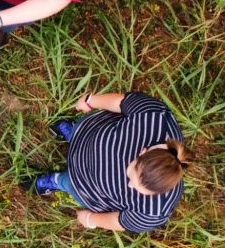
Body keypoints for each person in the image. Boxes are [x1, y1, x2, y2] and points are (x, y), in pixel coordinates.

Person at [34, 91, 187, 233]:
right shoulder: (154, 117)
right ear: (143, 152)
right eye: (133, 176)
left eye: (137, 188)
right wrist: (90, 101)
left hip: (85, 185)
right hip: (89, 133)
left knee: (67, 182)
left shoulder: (155, 211)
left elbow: (121, 221)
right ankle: (74, 134)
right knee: (80, 133)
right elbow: (120, 102)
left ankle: (57, 181)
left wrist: (90, 219)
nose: (130, 185)